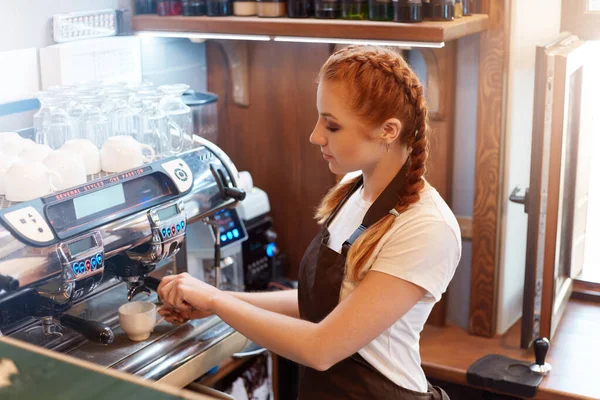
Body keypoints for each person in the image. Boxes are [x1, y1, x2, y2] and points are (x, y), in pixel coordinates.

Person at [157, 45, 461, 399]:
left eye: (332, 125)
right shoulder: (351, 189)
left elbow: (322, 347)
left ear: (388, 130)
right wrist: (216, 301)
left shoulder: (426, 228)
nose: (316, 136)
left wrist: (217, 302)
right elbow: (316, 303)